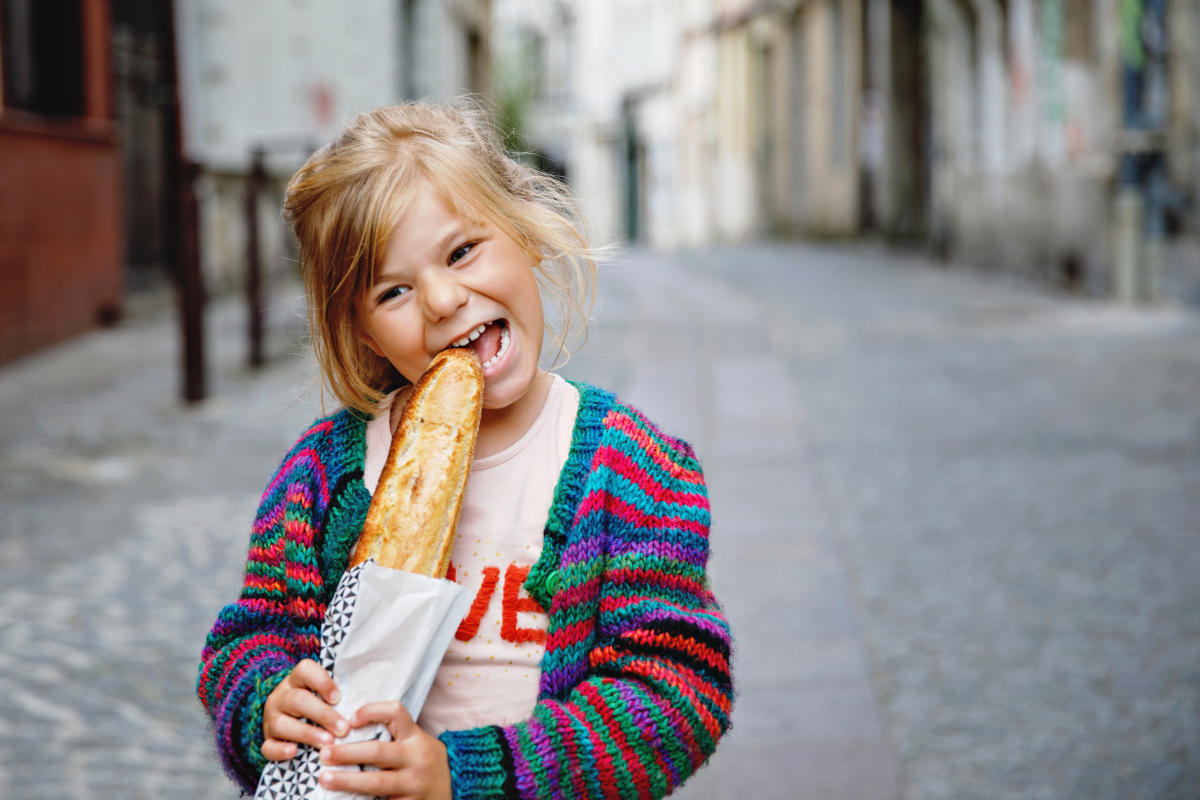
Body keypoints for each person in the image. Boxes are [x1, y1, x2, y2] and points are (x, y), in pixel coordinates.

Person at [196, 101, 733, 799]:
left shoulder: (637, 470)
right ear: (360, 333)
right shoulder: (321, 477)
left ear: (526, 232)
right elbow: (249, 640)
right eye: (394, 290)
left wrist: (468, 775)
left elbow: (677, 694)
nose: (444, 299)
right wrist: (265, 703)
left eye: (461, 251)